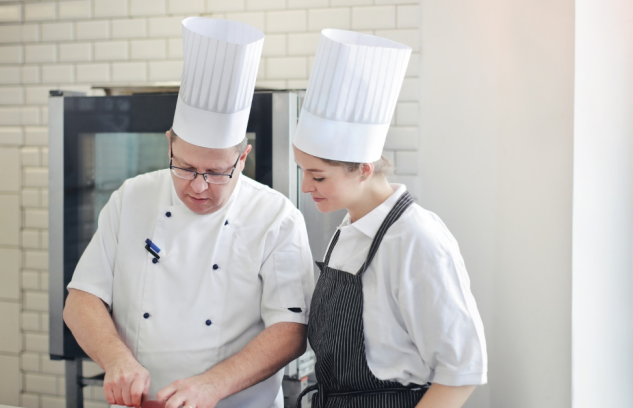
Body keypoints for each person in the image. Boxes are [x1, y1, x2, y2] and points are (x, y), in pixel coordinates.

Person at [62, 17, 315, 408]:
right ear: (169, 145)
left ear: (243, 158)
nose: (197, 186)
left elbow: (291, 328)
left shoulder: (276, 216)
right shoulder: (132, 197)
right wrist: (115, 360)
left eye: (216, 173)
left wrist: (212, 385)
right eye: (183, 168)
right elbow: (82, 300)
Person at [292, 29, 487, 408]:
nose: (304, 186)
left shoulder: (416, 238)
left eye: (317, 176)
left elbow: (461, 371)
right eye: (301, 171)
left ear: (363, 169)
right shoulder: (349, 230)